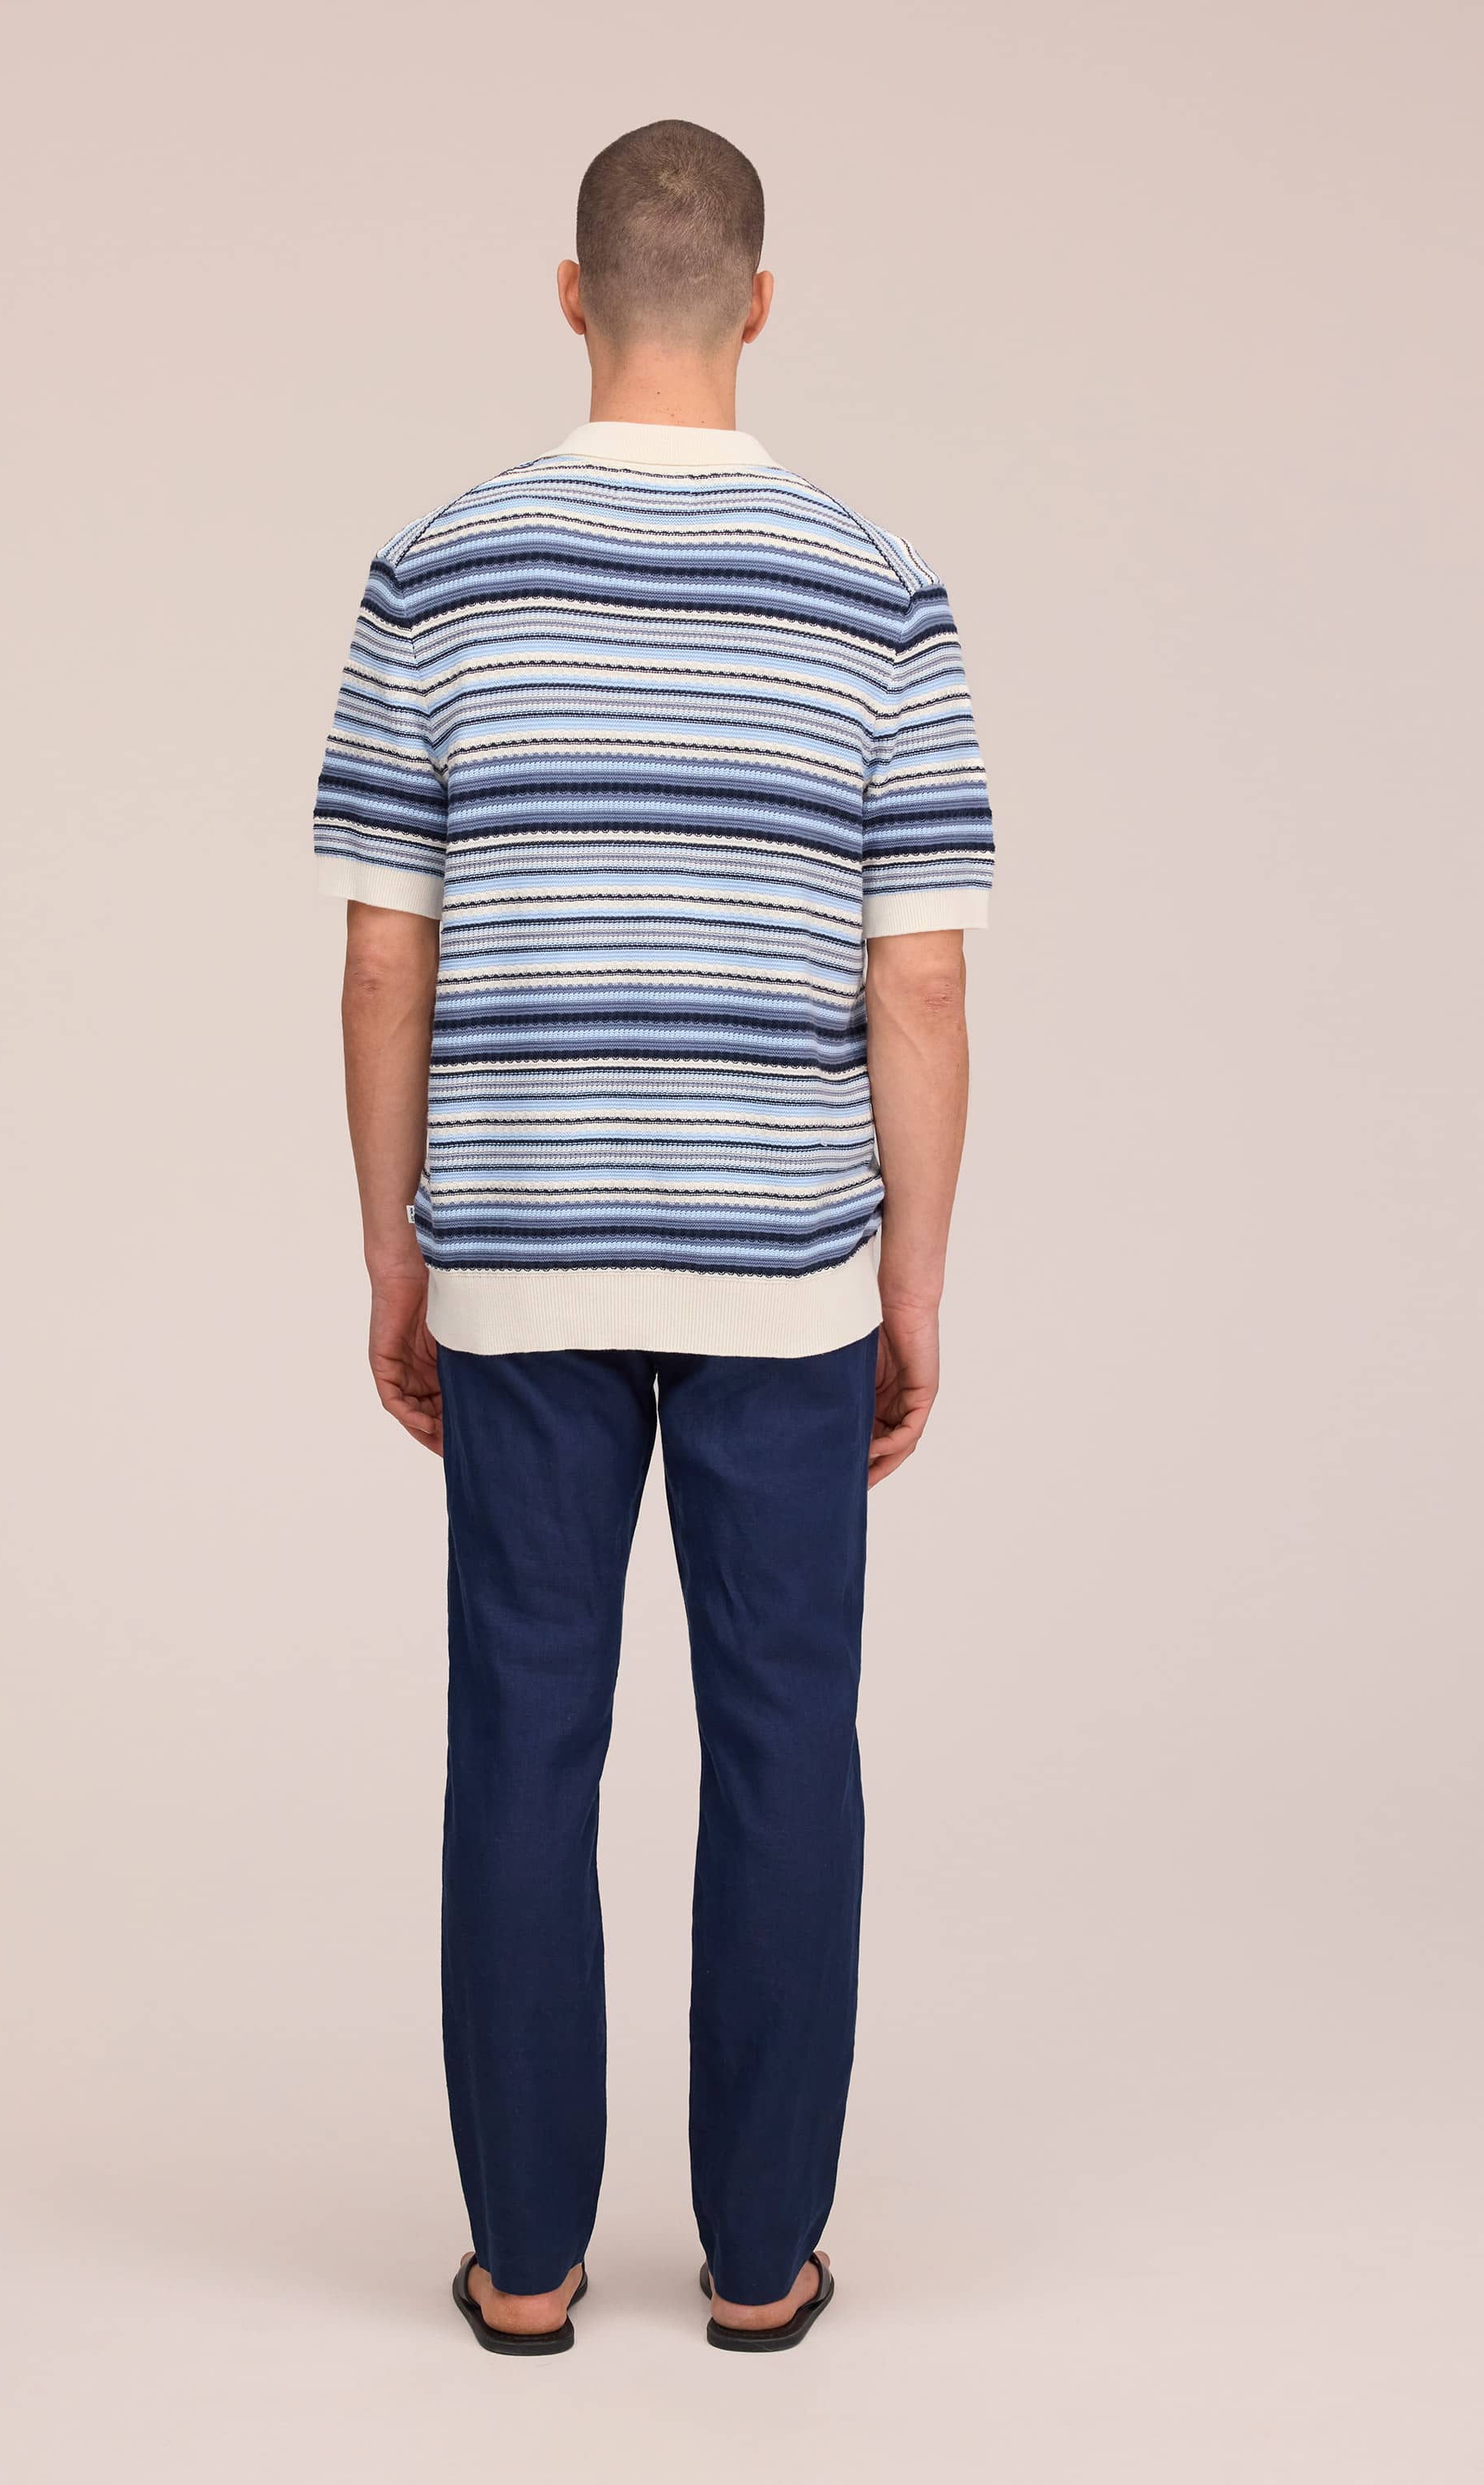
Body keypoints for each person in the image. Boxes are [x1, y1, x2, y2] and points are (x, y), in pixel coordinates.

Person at [312, 118, 994, 2356]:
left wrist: (399, 1256)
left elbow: (385, 961)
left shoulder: (437, 573)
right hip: (789, 1269)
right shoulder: (881, 589)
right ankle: (763, 2261)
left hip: (520, 1252)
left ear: (572, 296)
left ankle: (523, 2269)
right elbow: (919, 986)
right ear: (761, 305)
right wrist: (911, 1288)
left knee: (524, 1740)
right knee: (788, 1744)